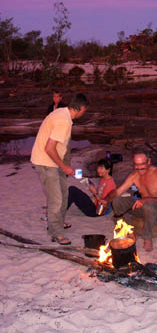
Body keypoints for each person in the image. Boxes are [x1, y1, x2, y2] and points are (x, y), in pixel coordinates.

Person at [31, 93, 89, 245]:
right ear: (81, 108)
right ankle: (55, 232)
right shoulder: (63, 120)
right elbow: (49, 148)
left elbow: (61, 146)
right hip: (45, 161)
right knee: (56, 199)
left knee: (64, 192)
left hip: (55, 161)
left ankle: (58, 222)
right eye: (85, 110)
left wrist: (64, 165)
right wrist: (64, 166)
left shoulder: (62, 113)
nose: (84, 113)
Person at [101, 147, 157, 252]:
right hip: (145, 209)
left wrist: (146, 199)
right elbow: (118, 191)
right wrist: (106, 200)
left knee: (148, 204)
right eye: (136, 165)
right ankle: (130, 232)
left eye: (142, 165)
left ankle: (147, 237)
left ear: (149, 161)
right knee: (117, 200)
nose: (139, 168)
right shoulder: (135, 174)